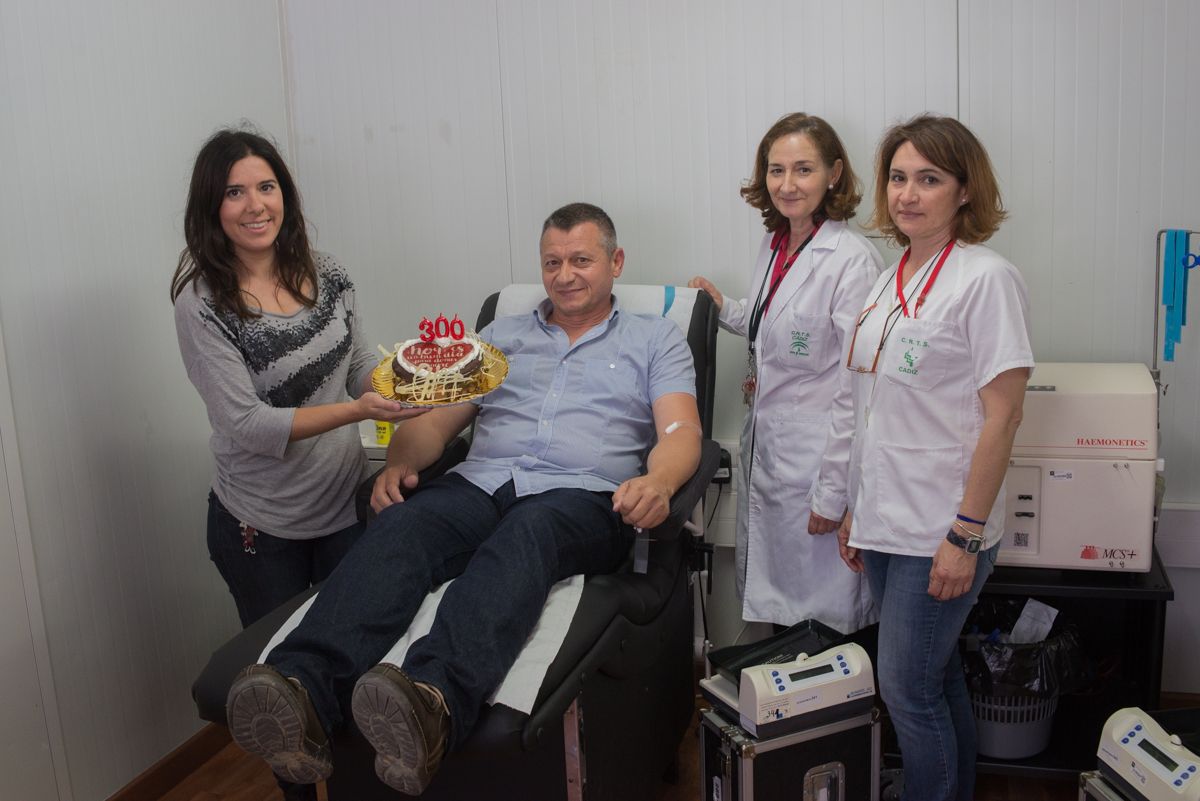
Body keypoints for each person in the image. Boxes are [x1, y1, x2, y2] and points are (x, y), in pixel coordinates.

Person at [223, 202, 703, 795]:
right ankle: (299, 690)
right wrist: (398, 463)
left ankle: (433, 700)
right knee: (403, 526)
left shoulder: (654, 340)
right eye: (552, 262)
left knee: (528, 534)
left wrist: (657, 483)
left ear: (615, 262)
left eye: (581, 259)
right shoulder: (499, 338)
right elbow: (436, 427)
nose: (565, 274)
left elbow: (682, 434)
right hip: (480, 483)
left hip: (582, 499)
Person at [834, 114, 1033, 801]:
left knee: (907, 689)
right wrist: (856, 507)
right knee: (934, 675)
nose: (908, 194)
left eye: (929, 179)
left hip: (942, 526)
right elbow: (877, 409)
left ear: (965, 191)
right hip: (889, 519)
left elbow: (1003, 415)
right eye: (897, 177)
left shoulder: (986, 279)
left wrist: (965, 532)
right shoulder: (889, 280)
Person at [689, 113, 882, 634]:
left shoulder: (851, 260)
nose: (787, 184)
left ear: (834, 173)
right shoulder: (778, 244)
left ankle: (831, 711)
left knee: (824, 625)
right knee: (784, 619)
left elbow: (857, 388)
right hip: (772, 450)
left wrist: (833, 494)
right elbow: (772, 317)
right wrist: (723, 307)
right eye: (776, 170)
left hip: (817, 463)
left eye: (803, 169)